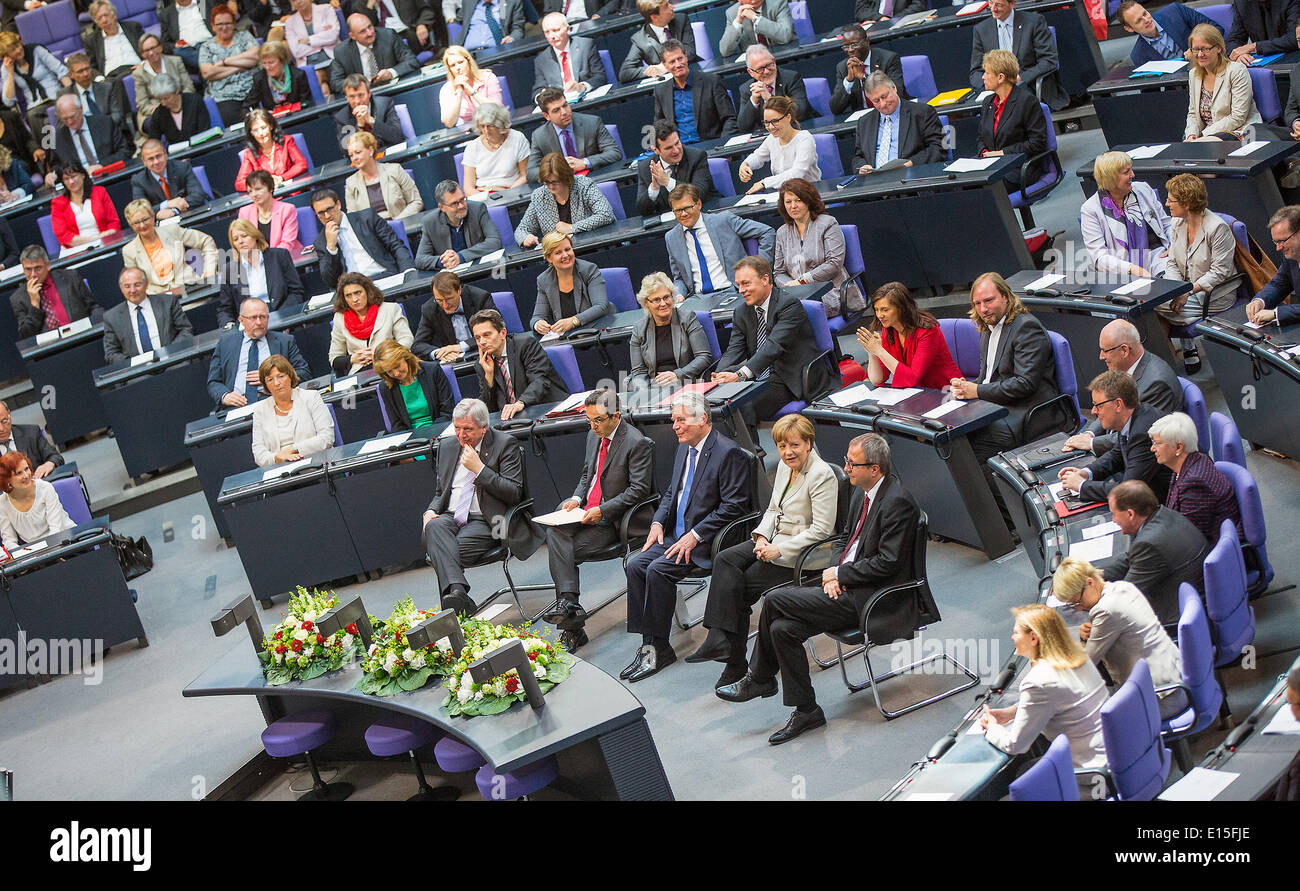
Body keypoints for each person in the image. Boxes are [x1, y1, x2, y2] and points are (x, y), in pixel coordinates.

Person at [716, 432, 915, 744]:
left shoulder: (898, 503)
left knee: (775, 600)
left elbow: (887, 564)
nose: (846, 468)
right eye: (847, 462)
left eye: (853, 464)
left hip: (872, 598)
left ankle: (760, 678)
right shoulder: (860, 492)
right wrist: (833, 571)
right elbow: (843, 538)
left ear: (875, 469)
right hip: (844, 585)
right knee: (782, 629)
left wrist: (842, 574)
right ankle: (806, 710)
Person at [690, 413, 837, 687]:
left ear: (808, 443)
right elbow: (772, 509)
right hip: (774, 539)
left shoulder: (822, 475)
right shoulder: (784, 467)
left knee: (739, 588)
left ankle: (733, 661)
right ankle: (718, 639)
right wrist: (760, 537)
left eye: (794, 445)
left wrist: (777, 549)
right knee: (725, 559)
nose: (787, 452)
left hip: (803, 555)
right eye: (782, 446)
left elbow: (822, 531)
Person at [624, 390, 750, 682]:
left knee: (656, 571)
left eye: (680, 420)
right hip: (673, 534)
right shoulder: (684, 447)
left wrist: (696, 535)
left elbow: (735, 506)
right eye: (673, 420)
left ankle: (658, 649)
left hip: (704, 542)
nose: (675, 426)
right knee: (635, 565)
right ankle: (650, 644)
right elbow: (671, 493)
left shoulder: (727, 452)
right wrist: (657, 523)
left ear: (703, 418)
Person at [542, 389, 656, 651]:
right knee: (555, 530)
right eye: (588, 420)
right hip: (587, 514)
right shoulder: (593, 437)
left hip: (613, 521)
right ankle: (569, 604)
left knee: (561, 551)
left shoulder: (635, 442)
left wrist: (603, 510)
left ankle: (571, 622)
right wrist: (576, 498)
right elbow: (586, 475)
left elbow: (639, 490)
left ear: (616, 416)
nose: (592, 426)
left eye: (598, 420)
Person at [951, 272, 1062, 521]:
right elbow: (988, 376)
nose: (983, 308)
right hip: (998, 406)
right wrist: (965, 387)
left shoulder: (1026, 327)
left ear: (1005, 296)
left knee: (968, 450)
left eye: (989, 301)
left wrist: (977, 391)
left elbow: (1025, 385)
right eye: (978, 304)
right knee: (954, 437)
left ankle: (1013, 519)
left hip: (1030, 411)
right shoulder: (987, 328)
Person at [421, 397, 539, 614]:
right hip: (452, 516)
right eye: (457, 428)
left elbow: (514, 493)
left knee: (441, 552)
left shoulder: (505, 444)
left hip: (489, 520)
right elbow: (441, 492)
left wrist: (480, 470)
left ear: (484, 429)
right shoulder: (447, 446)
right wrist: (431, 510)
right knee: (433, 527)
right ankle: (458, 594)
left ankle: (456, 607)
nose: (461, 435)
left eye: (468, 429)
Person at [979, 604, 1108, 772]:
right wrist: (1012, 712)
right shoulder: (1078, 655)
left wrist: (993, 728)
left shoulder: (1037, 681)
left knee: (1021, 777)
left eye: (1016, 632)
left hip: (1089, 771)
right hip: (1113, 752)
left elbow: (1014, 745)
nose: (1012, 637)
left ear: (1033, 638)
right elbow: (1062, 700)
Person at [1053, 555, 1186, 717]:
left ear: (1090, 582)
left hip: (1160, 698)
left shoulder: (1105, 610)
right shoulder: (1123, 587)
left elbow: (1085, 665)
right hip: (1177, 680)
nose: (1079, 608)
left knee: (1087, 721)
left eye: (1077, 601)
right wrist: (1084, 638)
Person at [713, 256, 838, 421]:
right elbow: (734, 349)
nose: (741, 290)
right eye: (738, 285)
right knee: (718, 404)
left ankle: (753, 448)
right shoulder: (741, 312)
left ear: (765, 279)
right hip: (759, 374)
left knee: (741, 407)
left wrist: (741, 375)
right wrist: (720, 374)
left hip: (791, 376)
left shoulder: (789, 305)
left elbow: (773, 347)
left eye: (746, 283)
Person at [1160, 173, 1239, 371]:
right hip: (1185, 292)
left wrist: (1187, 291)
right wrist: (1177, 291)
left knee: (1147, 310)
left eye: (1171, 200)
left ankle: (1167, 370)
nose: (1167, 203)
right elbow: (1171, 263)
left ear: (1187, 204)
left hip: (1213, 295)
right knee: (1146, 307)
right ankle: (1169, 367)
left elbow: (1220, 273)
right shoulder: (1177, 223)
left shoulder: (1217, 229)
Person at [1067, 318, 1183, 453]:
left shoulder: (1156, 384)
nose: (1101, 356)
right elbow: (1106, 406)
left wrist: (1092, 443)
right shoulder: (1123, 370)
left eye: (1105, 350)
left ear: (1124, 350)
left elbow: (1142, 436)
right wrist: (1089, 434)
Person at [1058, 370, 1173, 503]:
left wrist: (1081, 485)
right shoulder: (1133, 417)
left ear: (1118, 404)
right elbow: (1116, 455)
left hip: (1167, 504)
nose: (1093, 411)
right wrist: (1086, 473)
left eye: (1098, 406)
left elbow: (1129, 492)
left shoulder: (1143, 433)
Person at [1104, 479, 1209, 625]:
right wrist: (1097, 575)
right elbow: (1130, 559)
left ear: (1130, 514)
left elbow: (1126, 598)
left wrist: (1091, 601)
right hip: (1194, 595)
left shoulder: (1149, 544)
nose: (1113, 520)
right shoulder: (1162, 514)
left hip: (1178, 618)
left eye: (1114, 514)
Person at [773, 178, 863, 319]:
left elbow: (834, 263)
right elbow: (778, 272)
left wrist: (803, 281)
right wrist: (791, 287)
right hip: (797, 296)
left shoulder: (827, 223)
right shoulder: (782, 232)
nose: (793, 206)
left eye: (798, 200)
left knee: (794, 314)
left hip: (831, 291)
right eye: (788, 202)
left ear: (808, 201)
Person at [1080, 150, 1171, 288]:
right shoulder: (1091, 209)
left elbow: (1167, 224)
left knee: (1172, 283)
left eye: (1131, 169)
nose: (1132, 175)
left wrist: (1175, 244)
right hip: (1124, 269)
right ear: (1111, 178)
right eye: (1126, 172)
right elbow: (1100, 258)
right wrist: (1132, 269)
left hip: (1160, 256)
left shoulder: (1143, 189)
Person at [667, 179, 772, 296]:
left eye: (687, 208)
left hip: (733, 291)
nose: (683, 214)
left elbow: (767, 232)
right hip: (698, 298)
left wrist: (759, 270)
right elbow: (679, 278)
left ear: (699, 204)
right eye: (678, 210)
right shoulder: (672, 237)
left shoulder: (723, 220)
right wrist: (679, 295)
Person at [1150, 410, 1241, 541]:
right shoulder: (1190, 462)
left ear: (1178, 447)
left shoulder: (1194, 483)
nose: (1152, 449)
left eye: (1157, 443)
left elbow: (1187, 538)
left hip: (1210, 551)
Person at [858, 281, 962, 390]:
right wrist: (872, 353)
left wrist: (880, 351)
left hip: (944, 391)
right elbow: (878, 379)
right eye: (876, 310)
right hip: (913, 394)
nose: (879, 315)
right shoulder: (889, 329)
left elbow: (912, 379)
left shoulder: (928, 332)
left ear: (901, 308)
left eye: (885, 310)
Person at [470, 308, 569, 420]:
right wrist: (489, 377)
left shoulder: (525, 345)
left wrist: (521, 403)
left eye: (487, 335)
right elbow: (490, 409)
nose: (482, 342)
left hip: (547, 409)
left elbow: (540, 381)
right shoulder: (482, 363)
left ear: (503, 333)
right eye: (478, 338)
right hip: (513, 419)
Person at [968, 0, 1065, 109]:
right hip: (997, 92)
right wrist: (993, 84)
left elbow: (1049, 60)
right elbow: (975, 72)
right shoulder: (981, 30)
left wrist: (1019, 78)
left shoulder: (1034, 22)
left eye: (999, 5)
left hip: (1028, 86)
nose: (993, 9)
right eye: (991, 3)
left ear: (1012, 3)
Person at [310, 188, 414, 290]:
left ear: (338, 204)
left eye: (329, 209)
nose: (327, 216)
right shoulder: (321, 242)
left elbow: (396, 245)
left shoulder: (367, 218)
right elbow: (330, 282)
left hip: (385, 276)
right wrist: (331, 248)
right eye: (321, 213)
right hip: (353, 288)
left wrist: (409, 271)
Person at [975, 50, 1048, 190]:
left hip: (1019, 168)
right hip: (992, 165)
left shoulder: (1026, 101)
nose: (983, 77)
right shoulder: (987, 102)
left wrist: (1001, 153)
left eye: (987, 73)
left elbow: (1037, 143)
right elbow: (980, 137)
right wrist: (984, 153)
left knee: (984, 189)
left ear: (1001, 77)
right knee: (964, 185)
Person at [514, 152, 616, 249]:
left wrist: (572, 228)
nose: (550, 186)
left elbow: (605, 214)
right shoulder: (540, 195)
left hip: (592, 246)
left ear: (565, 177)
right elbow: (521, 229)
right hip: (560, 256)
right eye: (547, 182)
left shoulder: (583, 185)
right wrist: (525, 238)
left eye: (554, 182)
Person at [628, 271, 713, 386]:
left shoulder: (688, 319)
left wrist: (678, 374)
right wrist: (645, 391)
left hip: (686, 381)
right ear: (646, 303)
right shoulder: (639, 329)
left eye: (666, 297)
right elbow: (638, 371)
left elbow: (703, 357)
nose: (663, 303)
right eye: (657, 300)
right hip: (655, 387)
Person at [250, 354, 336, 466]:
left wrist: (293, 449)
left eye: (281, 376)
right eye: (270, 379)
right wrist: (276, 457)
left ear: (290, 376)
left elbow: (326, 438)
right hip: (279, 470)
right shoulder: (260, 411)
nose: (276, 383)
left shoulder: (311, 397)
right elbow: (259, 454)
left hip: (315, 463)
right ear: (265, 385)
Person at [851, 72, 944, 173]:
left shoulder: (923, 113)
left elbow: (939, 148)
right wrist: (862, 166)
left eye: (885, 96)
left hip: (911, 177)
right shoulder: (864, 122)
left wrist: (910, 164)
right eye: (876, 101)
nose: (883, 104)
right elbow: (858, 157)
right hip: (875, 182)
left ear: (894, 88)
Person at [121, 199, 219, 295]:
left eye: (145, 219)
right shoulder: (129, 251)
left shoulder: (172, 230)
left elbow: (206, 241)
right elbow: (134, 281)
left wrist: (209, 271)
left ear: (152, 216)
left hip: (190, 290)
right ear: (131, 225)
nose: (142, 225)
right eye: (136, 222)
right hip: (160, 302)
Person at [218, 219, 304, 326]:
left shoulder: (279, 256)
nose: (240, 241)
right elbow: (225, 308)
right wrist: (228, 323)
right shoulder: (229, 270)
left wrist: (284, 318)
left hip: (281, 315)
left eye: (244, 236)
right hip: (250, 324)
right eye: (235, 239)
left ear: (255, 236)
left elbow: (296, 292)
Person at [526, 86, 623, 183]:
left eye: (565, 105)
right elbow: (531, 172)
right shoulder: (539, 136)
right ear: (546, 116)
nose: (564, 112)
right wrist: (557, 170)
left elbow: (614, 152)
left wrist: (585, 163)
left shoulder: (592, 122)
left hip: (595, 180)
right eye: (556, 110)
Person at [650, 40, 738, 144]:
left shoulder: (712, 81)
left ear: (686, 56)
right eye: (672, 62)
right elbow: (659, 127)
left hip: (711, 146)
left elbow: (730, 119)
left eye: (680, 58)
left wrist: (724, 146)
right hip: (679, 151)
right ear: (664, 65)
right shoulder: (661, 90)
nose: (678, 64)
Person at [328, 271, 414, 375]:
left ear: (368, 291)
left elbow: (407, 339)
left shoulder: (390, 309)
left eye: (358, 293)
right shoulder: (340, 318)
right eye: (348, 296)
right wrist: (353, 358)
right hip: (360, 371)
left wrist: (383, 353)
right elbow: (334, 358)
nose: (354, 299)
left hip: (392, 365)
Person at [102, 267, 194, 364]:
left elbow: (186, 330)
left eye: (137, 285)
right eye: (127, 286)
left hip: (173, 361)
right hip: (138, 373)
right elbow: (111, 353)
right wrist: (134, 363)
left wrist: (169, 353)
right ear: (121, 288)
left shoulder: (168, 302)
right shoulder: (111, 317)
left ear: (146, 284)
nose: (132, 290)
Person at [1186, 23, 1260, 141]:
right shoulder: (1193, 74)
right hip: (1206, 138)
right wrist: (1192, 135)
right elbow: (1193, 113)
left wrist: (1205, 135)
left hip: (1240, 132)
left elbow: (1238, 117)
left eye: (1205, 49)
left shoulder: (1236, 71)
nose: (1200, 54)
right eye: (1195, 49)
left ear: (1219, 48)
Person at [9, 245, 100, 340]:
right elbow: (26, 335)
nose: (33, 274)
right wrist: (34, 305)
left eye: (38, 268)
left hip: (82, 336)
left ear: (47, 265)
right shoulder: (18, 298)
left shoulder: (70, 277)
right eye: (28, 269)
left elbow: (93, 308)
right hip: (50, 348)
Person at [532, 231, 612, 337]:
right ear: (548, 258)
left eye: (567, 249)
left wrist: (574, 321)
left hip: (598, 328)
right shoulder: (544, 280)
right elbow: (537, 317)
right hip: (570, 336)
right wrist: (538, 324)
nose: (565, 255)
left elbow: (601, 306)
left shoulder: (589, 270)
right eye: (558, 253)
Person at [738, 96, 819, 195]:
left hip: (809, 194)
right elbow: (758, 157)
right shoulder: (772, 139)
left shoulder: (805, 138)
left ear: (788, 117)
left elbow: (797, 173)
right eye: (766, 123)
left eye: (775, 121)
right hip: (784, 195)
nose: (771, 127)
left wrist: (765, 183)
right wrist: (745, 164)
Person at [415, 180, 501, 271]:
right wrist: (443, 261)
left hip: (481, 270)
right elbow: (420, 259)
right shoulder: (430, 222)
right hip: (452, 277)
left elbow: (494, 241)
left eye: (462, 200)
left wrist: (460, 257)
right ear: (442, 207)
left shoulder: (478, 210)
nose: (461, 206)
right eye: (454, 203)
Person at [0, 31, 67, 148]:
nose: (18, 50)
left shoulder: (36, 51)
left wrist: (70, 93)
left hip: (56, 96)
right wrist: (10, 73)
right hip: (36, 106)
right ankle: (52, 157)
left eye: (17, 45)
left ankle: (56, 155)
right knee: (34, 117)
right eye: (12, 50)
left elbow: (61, 71)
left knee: (48, 122)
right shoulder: (6, 69)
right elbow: (8, 101)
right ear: (6, 55)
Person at [411, 271, 497, 361]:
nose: (445, 305)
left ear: (459, 290)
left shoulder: (479, 298)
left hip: (485, 352)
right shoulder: (430, 309)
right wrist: (438, 353)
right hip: (455, 360)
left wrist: (461, 346)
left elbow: (494, 329)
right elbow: (417, 345)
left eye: (449, 299)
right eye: (439, 300)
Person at [373, 339, 456, 430]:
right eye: (389, 371)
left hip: (440, 429)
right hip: (410, 438)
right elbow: (396, 424)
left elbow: (447, 412)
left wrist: (432, 432)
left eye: (397, 366)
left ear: (405, 357)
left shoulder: (432, 371)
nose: (396, 374)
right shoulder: (386, 387)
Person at [0, 450, 75, 553]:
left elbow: (56, 529)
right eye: (19, 473)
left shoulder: (45, 488)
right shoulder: (2, 503)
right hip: (34, 554)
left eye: (26, 469)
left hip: (67, 542)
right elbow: (9, 541)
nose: (26, 475)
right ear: (7, 479)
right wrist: (24, 554)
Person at [199, 5, 261, 126]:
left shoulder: (244, 36)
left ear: (234, 24)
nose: (224, 27)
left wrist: (224, 62)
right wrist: (241, 65)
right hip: (224, 96)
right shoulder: (206, 47)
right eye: (219, 24)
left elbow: (255, 57)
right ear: (212, 26)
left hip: (252, 90)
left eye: (228, 23)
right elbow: (207, 73)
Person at [636, 121, 715, 217]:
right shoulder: (645, 167)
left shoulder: (697, 157)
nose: (676, 150)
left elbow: (698, 194)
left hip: (704, 215)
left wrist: (667, 181)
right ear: (655, 150)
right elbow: (642, 210)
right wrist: (654, 188)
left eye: (677, 143)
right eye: (669, 148)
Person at [327, 14, 418, 94]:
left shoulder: (388, 36)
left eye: (370, 27)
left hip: (395, 91)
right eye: (363, 31)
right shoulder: (342, 51)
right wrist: (359, 84)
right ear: (352, 36)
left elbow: (412, 61)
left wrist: (391, 73)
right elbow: (336, 83)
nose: (370, 33)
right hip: (364, 99)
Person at [343, 131, 423, 220]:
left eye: (358, 152)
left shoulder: (395, 170)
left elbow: (416, 202)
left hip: (403, 225)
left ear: (371, 150)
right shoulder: (351, 183)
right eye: (351, 155)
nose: (354, 158)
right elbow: (354, 218)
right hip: (374, 232)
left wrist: (397, 223)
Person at [831, 25, 906, 115]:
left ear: (867, 42)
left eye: (854, 44)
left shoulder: (888, 59)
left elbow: (897, 94)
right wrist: (849, 81)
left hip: (893, 111)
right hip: (865, 118)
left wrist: (864, 77)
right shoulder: (843, 67)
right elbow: (835, 109)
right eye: (846, 46)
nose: (850, 50)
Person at [1120, 0, 1222, 67]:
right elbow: (1151, 91)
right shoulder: (1138, 55)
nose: (1146, 20)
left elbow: (1216, 29)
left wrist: (1197, 50)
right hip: (1182, 90)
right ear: (1129, 28)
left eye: (1145, 13)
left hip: (1213, 66)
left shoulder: (1175, 11)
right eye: (1138, 20)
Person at [131, 33, 194, 139]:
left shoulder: (175, 61)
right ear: (142, 54)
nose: (151, 53)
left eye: (153, 48)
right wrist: (160, 109)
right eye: (146, 50)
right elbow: (142, 104)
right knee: (157, 123)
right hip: (154, 112)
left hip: (179, 104)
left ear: (160, 47)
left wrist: (179, 102)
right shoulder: (139, 74)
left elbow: (189, 87)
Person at [735, 44, 810, 134]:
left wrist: (770, 99)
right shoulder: (747, 89)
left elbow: (800, 112)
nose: (766, 71)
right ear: (750, 72)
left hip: (797, 131)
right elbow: (743, 127)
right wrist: (754, 101)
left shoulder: (791, 78)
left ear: (774, 61)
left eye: (769, 65)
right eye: (760, 69)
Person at [62, 51, 132, 145]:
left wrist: (101, 128)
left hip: (110, 135)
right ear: (70, 75)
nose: (86, 74)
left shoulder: (106, 88)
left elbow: (117, 115)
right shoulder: (65, 96)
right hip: (83, 139)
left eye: (87, 69)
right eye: (80, 71)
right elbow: (61, 125)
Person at [51, 93, 130, 176]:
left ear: (81, 109)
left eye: (72, 116)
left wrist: (101, 165)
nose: (70, 122)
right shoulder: (57, 139)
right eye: (65, 119)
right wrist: (52, 175)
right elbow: (56, 167)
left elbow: (125, 151)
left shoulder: (104, 123)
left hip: (111, 174)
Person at [619, 0, 698, 83]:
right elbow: (625, 73)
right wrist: (654, 70)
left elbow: (690, 51)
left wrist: (665, 67)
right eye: (666, 6)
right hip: (668, 85)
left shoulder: (681, 20)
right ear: (654, 17)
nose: (672, 7)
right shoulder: (640, 39)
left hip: (692, 73)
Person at [1247, 205, 1300, 325]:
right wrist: (1260, 301)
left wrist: (1276, 314)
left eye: (1282, 241)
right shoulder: (1291, 256)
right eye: (1276, 242)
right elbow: (1279, 285)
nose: (1278, 248)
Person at [235, 109, 310, 192]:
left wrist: (282, 178)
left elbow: (302, 164)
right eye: (255, 130)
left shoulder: (286, 141)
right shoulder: (249, 154)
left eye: (263, 128)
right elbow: (239, 183)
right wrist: (264, 184)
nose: (261, 133)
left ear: (271, 126)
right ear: (251, 133)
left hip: (292, 192)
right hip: (268, 199)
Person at [532, 12, 605, 97]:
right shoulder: (541, 60)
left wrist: (582, 86)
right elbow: (537, 91)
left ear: (567, 29)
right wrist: (542, 97)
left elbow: (600, 77)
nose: (552, 36)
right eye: (547, 32)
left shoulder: (586, 45)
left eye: (556, 30)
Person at [462, 102, 528, 195]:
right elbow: (468, 187)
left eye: (490, 126)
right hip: (482, 195)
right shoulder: (472, 147)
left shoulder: (517, 138)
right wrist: (484, 200)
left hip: (510, 192)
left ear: (500, 123)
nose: (486, 130)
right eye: (482, 126)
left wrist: (509, 193)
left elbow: (525, 176)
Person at [133, 141, 209, 223]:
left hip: (190, 218)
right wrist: (167, 204)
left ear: (165, 154)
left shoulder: (182, 167)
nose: (156, 162)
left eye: (158, 156)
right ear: (144, 161)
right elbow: (140, 210)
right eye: (151, 159)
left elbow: (198, 195)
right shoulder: (139, 180)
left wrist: (174, 210)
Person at [49, 162, 119, 249]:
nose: (71, 181)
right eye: (66, 179)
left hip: (105, 243)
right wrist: (93, 240)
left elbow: (113, 222)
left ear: (83, 175)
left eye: (73, 176)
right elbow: (62, 235)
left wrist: (106, 235)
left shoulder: (100, 192)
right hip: (75, 249)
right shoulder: (58, 203)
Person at [283, 0, 342, 99]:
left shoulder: (326, 9)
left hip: (332, 58)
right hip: (309, 65)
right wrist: (322, 39)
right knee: (318, 81)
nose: (298, 1)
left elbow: (333, 36)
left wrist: (307, 40)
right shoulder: (290, 22)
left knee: (328, 78)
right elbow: (296, 51)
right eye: (293, 0)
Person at [332, 74, 404, 152]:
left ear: (369, 93)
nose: (357, 101)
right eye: (352, 97)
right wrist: (360, 126)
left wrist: (371, 121)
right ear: (347, 98)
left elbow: (397, 136)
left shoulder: (384, 104)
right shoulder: (342, 117)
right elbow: (345, 150)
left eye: (361, 95)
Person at [238, 170, 302, 253]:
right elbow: (245, 244)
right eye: (250, 191)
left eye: (258, 189)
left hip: (286, 258)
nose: (254, 194)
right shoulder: (244, 213)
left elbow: (287, 244)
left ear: (270, 188)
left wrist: (270, 261)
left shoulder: (287, 209)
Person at [439, 45, 502, 130]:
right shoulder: (447, 89)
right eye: (453, 65)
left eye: (461, 62)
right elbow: (449, 123)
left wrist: (470, 90)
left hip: (494, 127)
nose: (458, 68)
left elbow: (497, 111)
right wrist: (459, 94)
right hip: (470, 136)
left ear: (468, 61)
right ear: (450, 69)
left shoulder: (487, 77)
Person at [140, 73, 211, 143]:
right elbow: (154, 140)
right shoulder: (159, 113)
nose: (163, 103)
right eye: (159, 100)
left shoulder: (195, 101)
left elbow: (204, 131)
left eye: (166, 98)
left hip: (201, 148)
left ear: (176, 90)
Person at [0, 401, 63, 477]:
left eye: (4, 421)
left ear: (9, 414)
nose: (1, 429)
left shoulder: (31, 432)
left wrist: (49, 463)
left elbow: (55, 457)